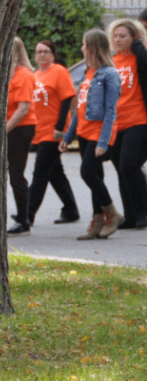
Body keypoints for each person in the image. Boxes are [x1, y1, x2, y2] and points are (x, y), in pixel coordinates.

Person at [60, 29, 123, 240]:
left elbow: (111, 110)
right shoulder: (88, 72)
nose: (82, 48)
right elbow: (80, 109)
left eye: (85, 45)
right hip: (84, 133)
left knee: (87, 173)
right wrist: (68, 137)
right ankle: (97, 221)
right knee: (96, 176)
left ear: (94, 48)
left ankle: (112, 214)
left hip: (99, 134)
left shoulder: (110, 74)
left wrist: (103, 142)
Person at [26, 40, 80, 226]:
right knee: (55, 173)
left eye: (46, 51)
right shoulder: (36, 75)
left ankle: (27, 214)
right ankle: (71, 210)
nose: (42, 55)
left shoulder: (59, 71)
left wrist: (60, 127)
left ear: (53, 55)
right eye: (38, 51)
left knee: (40, 173)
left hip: (54, 131)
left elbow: (67, 99)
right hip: (39, 131)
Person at [107, 19, 147, 229]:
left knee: (129, 165)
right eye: (115, 36)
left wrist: (138, 44)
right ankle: (131, 216)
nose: (118, 39)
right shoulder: (112, 61)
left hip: (138, 120)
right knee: (122, 171)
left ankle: (143, 212)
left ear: (134, 37)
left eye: (123, 36)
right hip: (116, 124)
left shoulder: (139, 58)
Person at [6, 37, 38, 236]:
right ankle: (20, 215)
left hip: (20, 127)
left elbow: (23, 109)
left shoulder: (24, 74)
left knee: (16, 174)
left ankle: (23, 220)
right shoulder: (5, 73)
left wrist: (4, 131)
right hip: (10, 126)